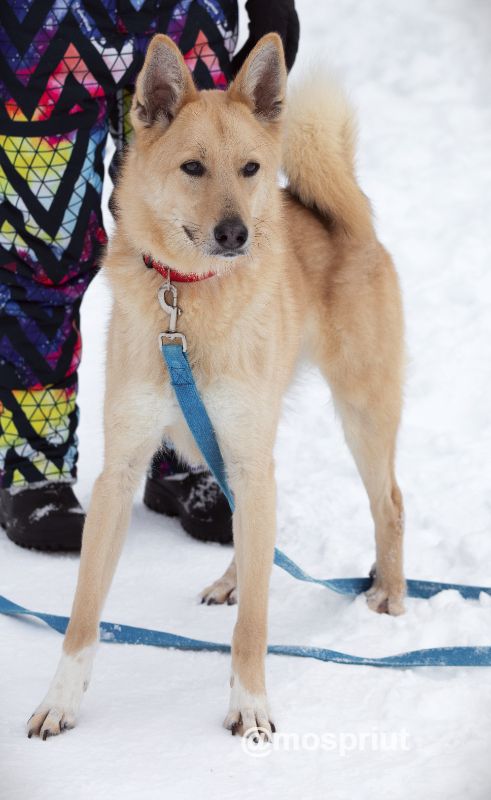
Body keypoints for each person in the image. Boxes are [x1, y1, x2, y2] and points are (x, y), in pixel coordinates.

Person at [0, 0, 299, 551]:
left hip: (185, 15)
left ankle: (178, 452)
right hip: (37, 29)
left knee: (189, 249)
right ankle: (33, 465)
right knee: (40, 251)